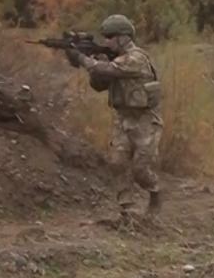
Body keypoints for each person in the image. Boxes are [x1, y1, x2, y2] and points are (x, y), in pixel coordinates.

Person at [65, 14, 163, 219]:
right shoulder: (116, 58)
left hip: (144, 120)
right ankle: (127, 209)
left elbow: (111, 69)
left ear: (124, 37)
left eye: (111, 36)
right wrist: (93, 66)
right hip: (123, 118)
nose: (107, 41)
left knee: (140, 169)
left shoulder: (136, 58)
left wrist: (82, 59)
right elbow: (99, 85)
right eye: (106, 37)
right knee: (117, 162)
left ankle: (155, 192)